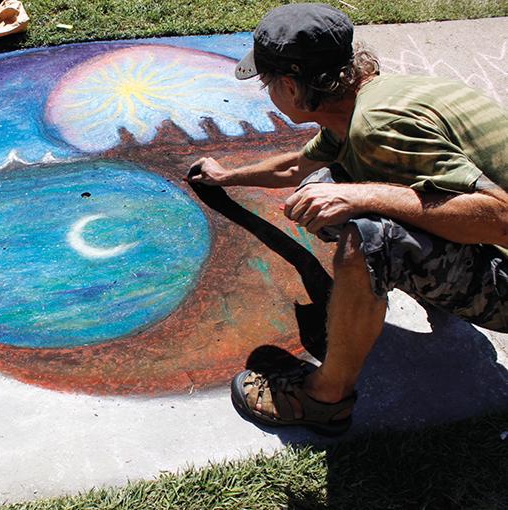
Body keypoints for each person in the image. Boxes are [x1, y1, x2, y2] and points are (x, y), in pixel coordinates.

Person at [187, 3, 508, 435]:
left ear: (290, 86)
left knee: (369, 239)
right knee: (329, 184)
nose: (267, 93)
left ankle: (324, 398)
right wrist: (226, 176)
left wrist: (361, 195)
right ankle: (428, 279)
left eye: (267, 83)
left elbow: (501, 219)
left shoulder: (374, 126)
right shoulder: (368, 100)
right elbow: (295, 168)